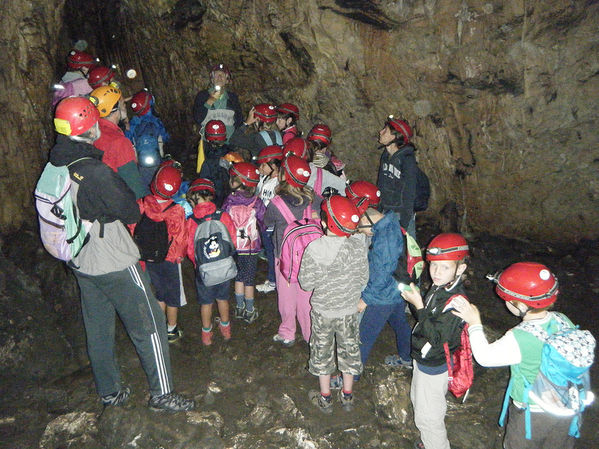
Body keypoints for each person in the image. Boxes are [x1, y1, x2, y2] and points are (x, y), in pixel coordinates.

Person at [49, 97, 194, 411]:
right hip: (112, 257)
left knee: (98, 327)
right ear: (89, 128)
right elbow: (129, 210)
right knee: (151, 323)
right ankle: (162, 394)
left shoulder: (56, 163)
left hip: (79, 258)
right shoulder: (95, 172)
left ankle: (110, 393)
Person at [452, 262, 590, 449]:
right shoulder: (562, 319)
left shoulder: (520, 337)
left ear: (517, 304)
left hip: (532, 414)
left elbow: (484, 357)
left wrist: (474, 322)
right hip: (567, 408)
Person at [298, 195, 368, 414]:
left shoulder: (314, 248)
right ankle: (347, 396)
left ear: (326, 222)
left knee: (322, 352)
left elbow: (306, 283)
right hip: (349, 310)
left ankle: (326, 398)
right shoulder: (358, 246)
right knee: (349, 350)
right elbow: (364, 279)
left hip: (323, 312)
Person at [401, 233, 470, 449]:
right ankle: (429, 443)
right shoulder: (440, 287)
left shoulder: (456, 302)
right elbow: (428, 319)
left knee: (429, 418)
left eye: (445, 267)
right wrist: (417, 301)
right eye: (433, 266)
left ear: (460, 269)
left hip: (434, 365)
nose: (437, 273)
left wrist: (419, 305)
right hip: (423, 358)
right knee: (420, 404)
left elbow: (438, 338)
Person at [264, 155, 321, 346]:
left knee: (287, 298)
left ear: (284, 176)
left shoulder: (277, 203)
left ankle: (288, 332)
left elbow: (267, 223)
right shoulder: (314, 198)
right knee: (307, 297)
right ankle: (310, 335)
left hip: (284, 256)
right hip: (310, 255)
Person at [135, 165, 187, 343]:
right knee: (172, 296)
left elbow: (133, 227)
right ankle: (171, 330)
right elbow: (180, 238)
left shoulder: (142, 203)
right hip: (169, 259)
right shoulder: (176, 210)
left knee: (159, 292)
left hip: (149, 257)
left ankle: (157, 327)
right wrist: (179, 256)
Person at [186, 178, 237, 345]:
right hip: (224, 267)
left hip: (204, 271)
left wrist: (197, 265)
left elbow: (190, 249)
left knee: (206, 302)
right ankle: (226, 328)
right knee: (223, 299)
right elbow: (232, 240)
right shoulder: (222, 215)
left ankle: (206, 334)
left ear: (194, 197)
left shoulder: (192, 221)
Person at [222, 162, 266, 323]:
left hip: (234, 246)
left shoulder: (229, 200)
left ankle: (239, 307)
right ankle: (249, 309)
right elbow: (263, 221)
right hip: (251, 247)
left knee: (238, 276)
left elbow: (224, 220)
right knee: (249, 279)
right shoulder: (257, 202)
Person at [90, 85, 149, 199]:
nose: (125, 106)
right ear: (115, 109)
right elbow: (134, 187)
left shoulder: (91, 132)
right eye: (122, 103)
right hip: (118, 200)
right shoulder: (119, 142)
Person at [376, 115, 417, 230]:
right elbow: (381, 184)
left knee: (403, 246)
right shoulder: (385, 155)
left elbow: (409, 192)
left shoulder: (407, 160)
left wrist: (404, 221)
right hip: (385, 210)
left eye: (385, 130)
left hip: (399, 214)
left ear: (395, 136)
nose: (381, 132)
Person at [126, 89, 170, 186]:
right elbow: (165, 137)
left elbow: (127, 140)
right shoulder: (155, 122)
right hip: (157, 162)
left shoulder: (133, 124)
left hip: (140, 165)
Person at [254, 145, 284, 294]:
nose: (261, 167)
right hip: (264, 223)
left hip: (271, 226)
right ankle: (274, 278)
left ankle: (273, 282)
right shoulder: (266, 178)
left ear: (273, 165)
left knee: (273, 255)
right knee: (270, 253)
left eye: (263, 164)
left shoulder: (278, 184)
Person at [192, 63, 243, 143]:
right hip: (207, 144)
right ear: (212, 79)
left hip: (228, 144)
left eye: (222, 75)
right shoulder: (203, 96)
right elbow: (198, 118)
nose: (219, 77)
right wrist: (210, 101)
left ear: (227, 80)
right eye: (216, 75)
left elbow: (239, 120)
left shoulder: (232, 98)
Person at [198, 119, 233, 206]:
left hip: (213, 200)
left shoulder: (206, 158)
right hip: (230, 199)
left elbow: (203, 181)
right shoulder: (232, 154)